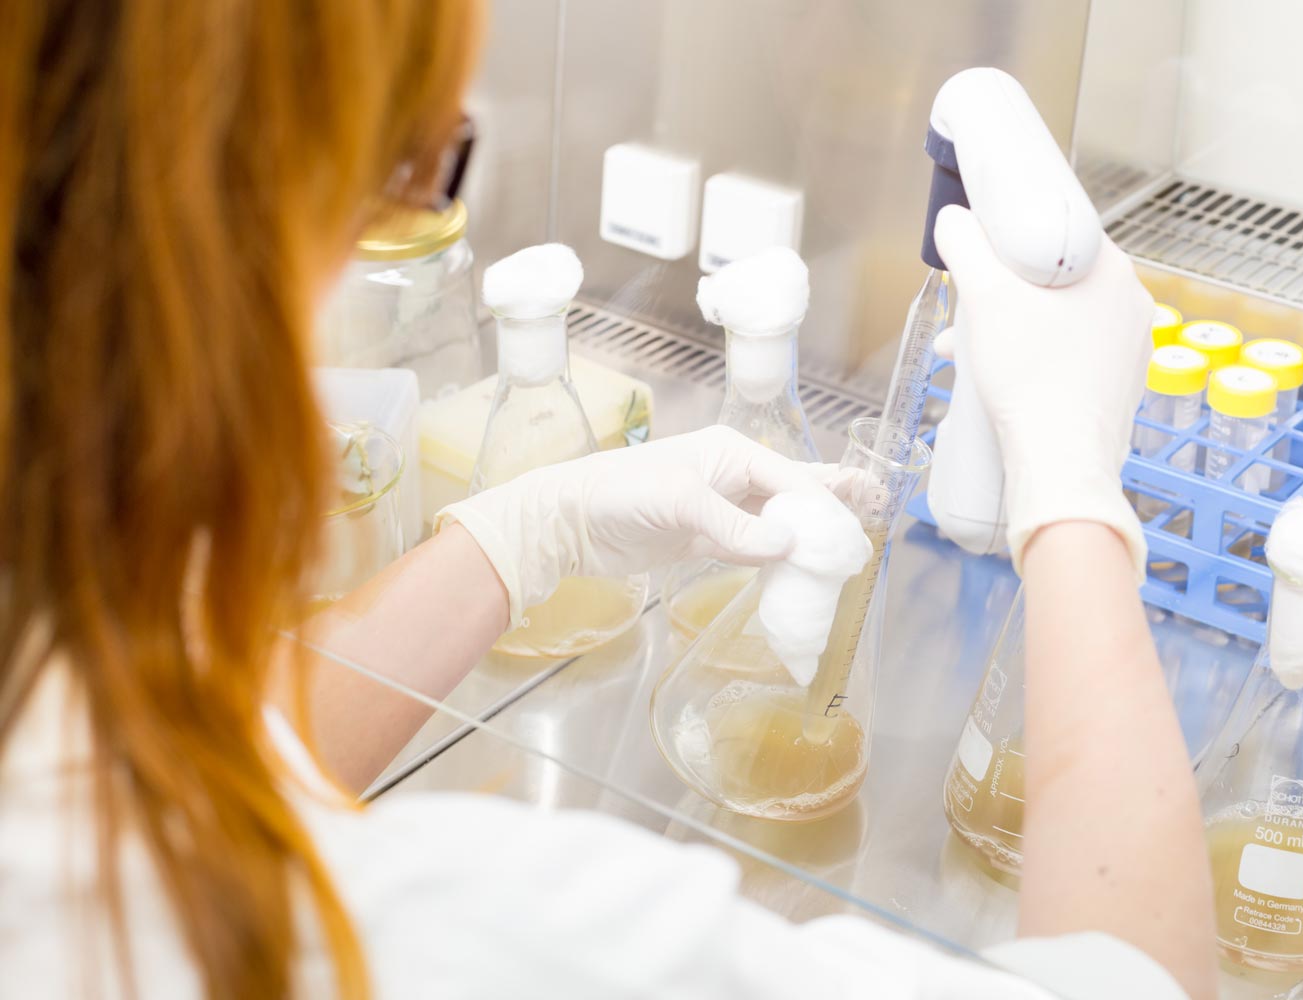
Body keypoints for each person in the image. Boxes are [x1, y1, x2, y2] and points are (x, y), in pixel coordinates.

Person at [0, 3, 1214, 998]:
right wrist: (1073, 496)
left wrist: (525, 531)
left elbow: (183, 775)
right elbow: (1129, 982)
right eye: (422, 167)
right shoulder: (451, 933)